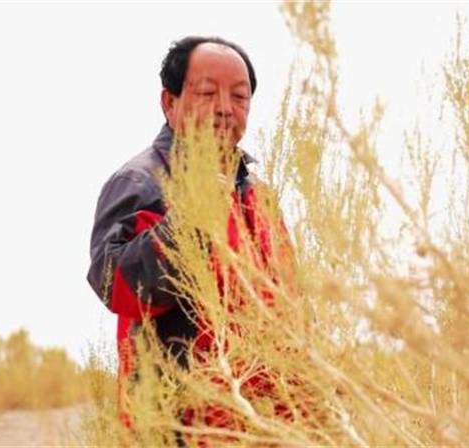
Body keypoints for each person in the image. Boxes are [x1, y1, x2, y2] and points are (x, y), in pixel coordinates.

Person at [86, 36, 296, 434]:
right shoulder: (141, 181)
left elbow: (289, 302)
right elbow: (114, 283)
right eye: (206, 93)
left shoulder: (258, 196)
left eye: (239, 96)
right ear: (170, 102)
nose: (224, 108)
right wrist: (193, 220)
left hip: (263, 420)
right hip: (178, 421)